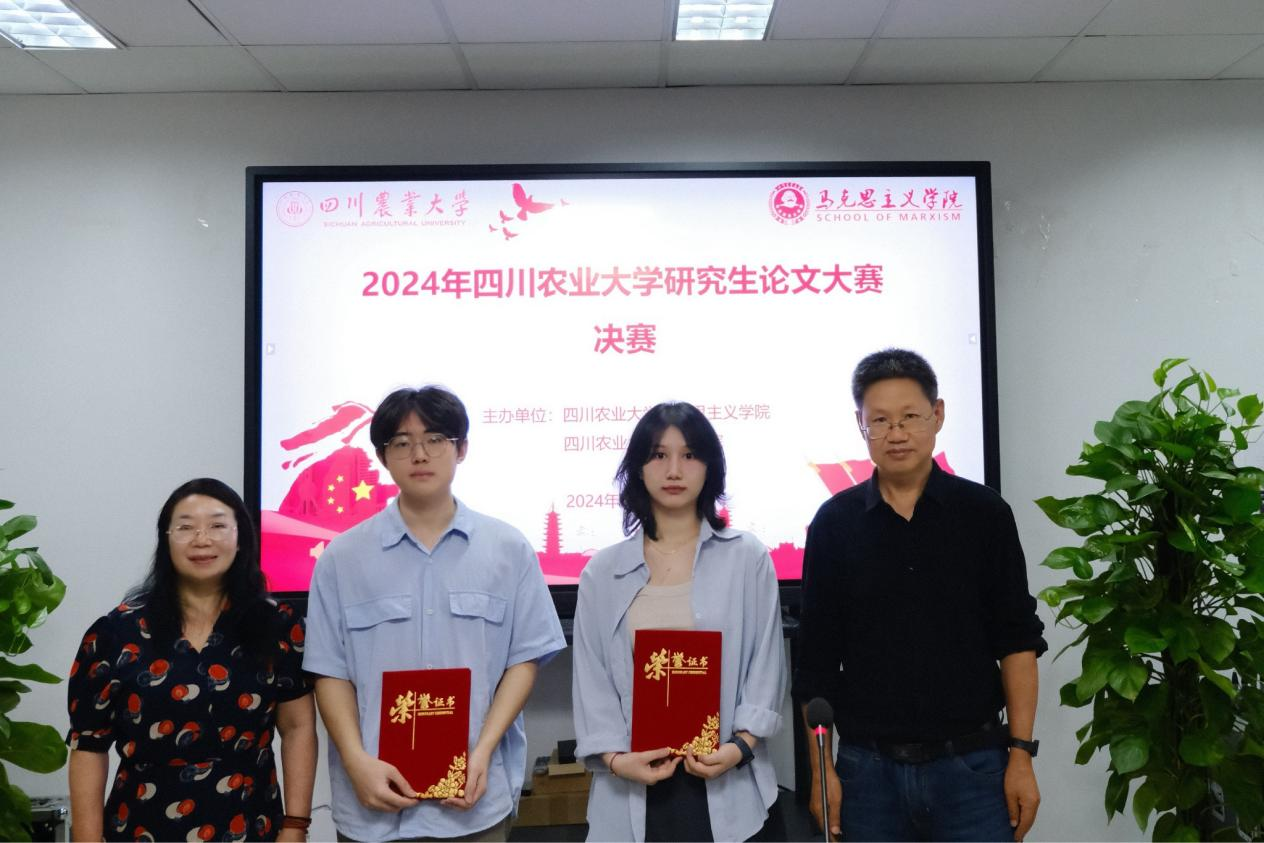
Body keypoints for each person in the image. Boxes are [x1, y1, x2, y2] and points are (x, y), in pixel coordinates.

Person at [793, 348, 1048, 842]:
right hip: (867, 774)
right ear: (861, 425)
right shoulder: (834, 524)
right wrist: (823, 773)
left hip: (973, 768)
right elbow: (816, 663)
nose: (896, 433)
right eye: (880, 420)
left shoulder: (984, 514)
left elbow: (1017, 642)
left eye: (910, 416)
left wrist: (1021, 755)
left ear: (938, 415)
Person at [303, 385, 566, 842]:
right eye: (402, 443)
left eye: (435, 439)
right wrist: (355, 760)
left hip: (472, 801)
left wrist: (483, 751)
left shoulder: (507, 549)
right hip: (373, 809)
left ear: (461, 449)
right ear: (383, 457)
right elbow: (330, 671)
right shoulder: (342, 558)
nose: (419, 454)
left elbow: (524, 660)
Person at [572, 401, 787, 842]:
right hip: (633, 786)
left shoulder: (746, 558)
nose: (674, 470)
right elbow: (591, 680)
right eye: (658, 455)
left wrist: (740, 747)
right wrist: (616, 760)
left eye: (689, 455)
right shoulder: (602, 572)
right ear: (638, 468)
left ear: (710, 467)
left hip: (729, 781)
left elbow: (766, 663)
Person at [66, 478, 317, 842]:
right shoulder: (115, 633)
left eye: (217, 525)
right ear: (166, 539)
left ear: (241, 537)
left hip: (250, 823)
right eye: (185, 527)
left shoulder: (278, 625)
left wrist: (295, 826)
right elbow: (89, 745)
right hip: (142, 826)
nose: (202, 539)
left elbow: (298, 728)